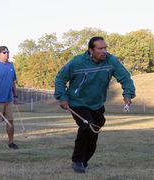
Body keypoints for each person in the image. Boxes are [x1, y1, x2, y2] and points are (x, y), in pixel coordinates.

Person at [54, 36, 136, 173]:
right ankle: (77, 160)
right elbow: (60, 79)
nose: (104, 51)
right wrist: (62, 97)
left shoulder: (111, 61)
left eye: (105, 48)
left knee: (96, 127)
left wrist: (128, 94)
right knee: (87, 126)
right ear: (91, 50)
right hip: (77, 102)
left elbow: (125, 78)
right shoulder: (77, 62)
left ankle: (84, 160)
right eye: (100, 48)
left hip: (97, 103)